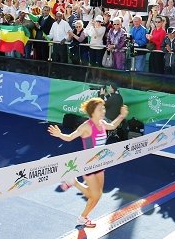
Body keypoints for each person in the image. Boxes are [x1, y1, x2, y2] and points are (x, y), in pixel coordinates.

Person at [47, 98, 129, 229]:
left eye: (103, 109)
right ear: (92, 112)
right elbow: (70, 137)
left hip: (100, 165)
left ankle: (80, 206)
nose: (103, 111)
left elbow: (113, 126)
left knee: (97, 195)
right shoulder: (86, 126)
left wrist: (121, 116)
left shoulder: (102, 123)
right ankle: (81, 212)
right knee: (95, 195)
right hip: (88, 165)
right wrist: (59, 134)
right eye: (100, 109)